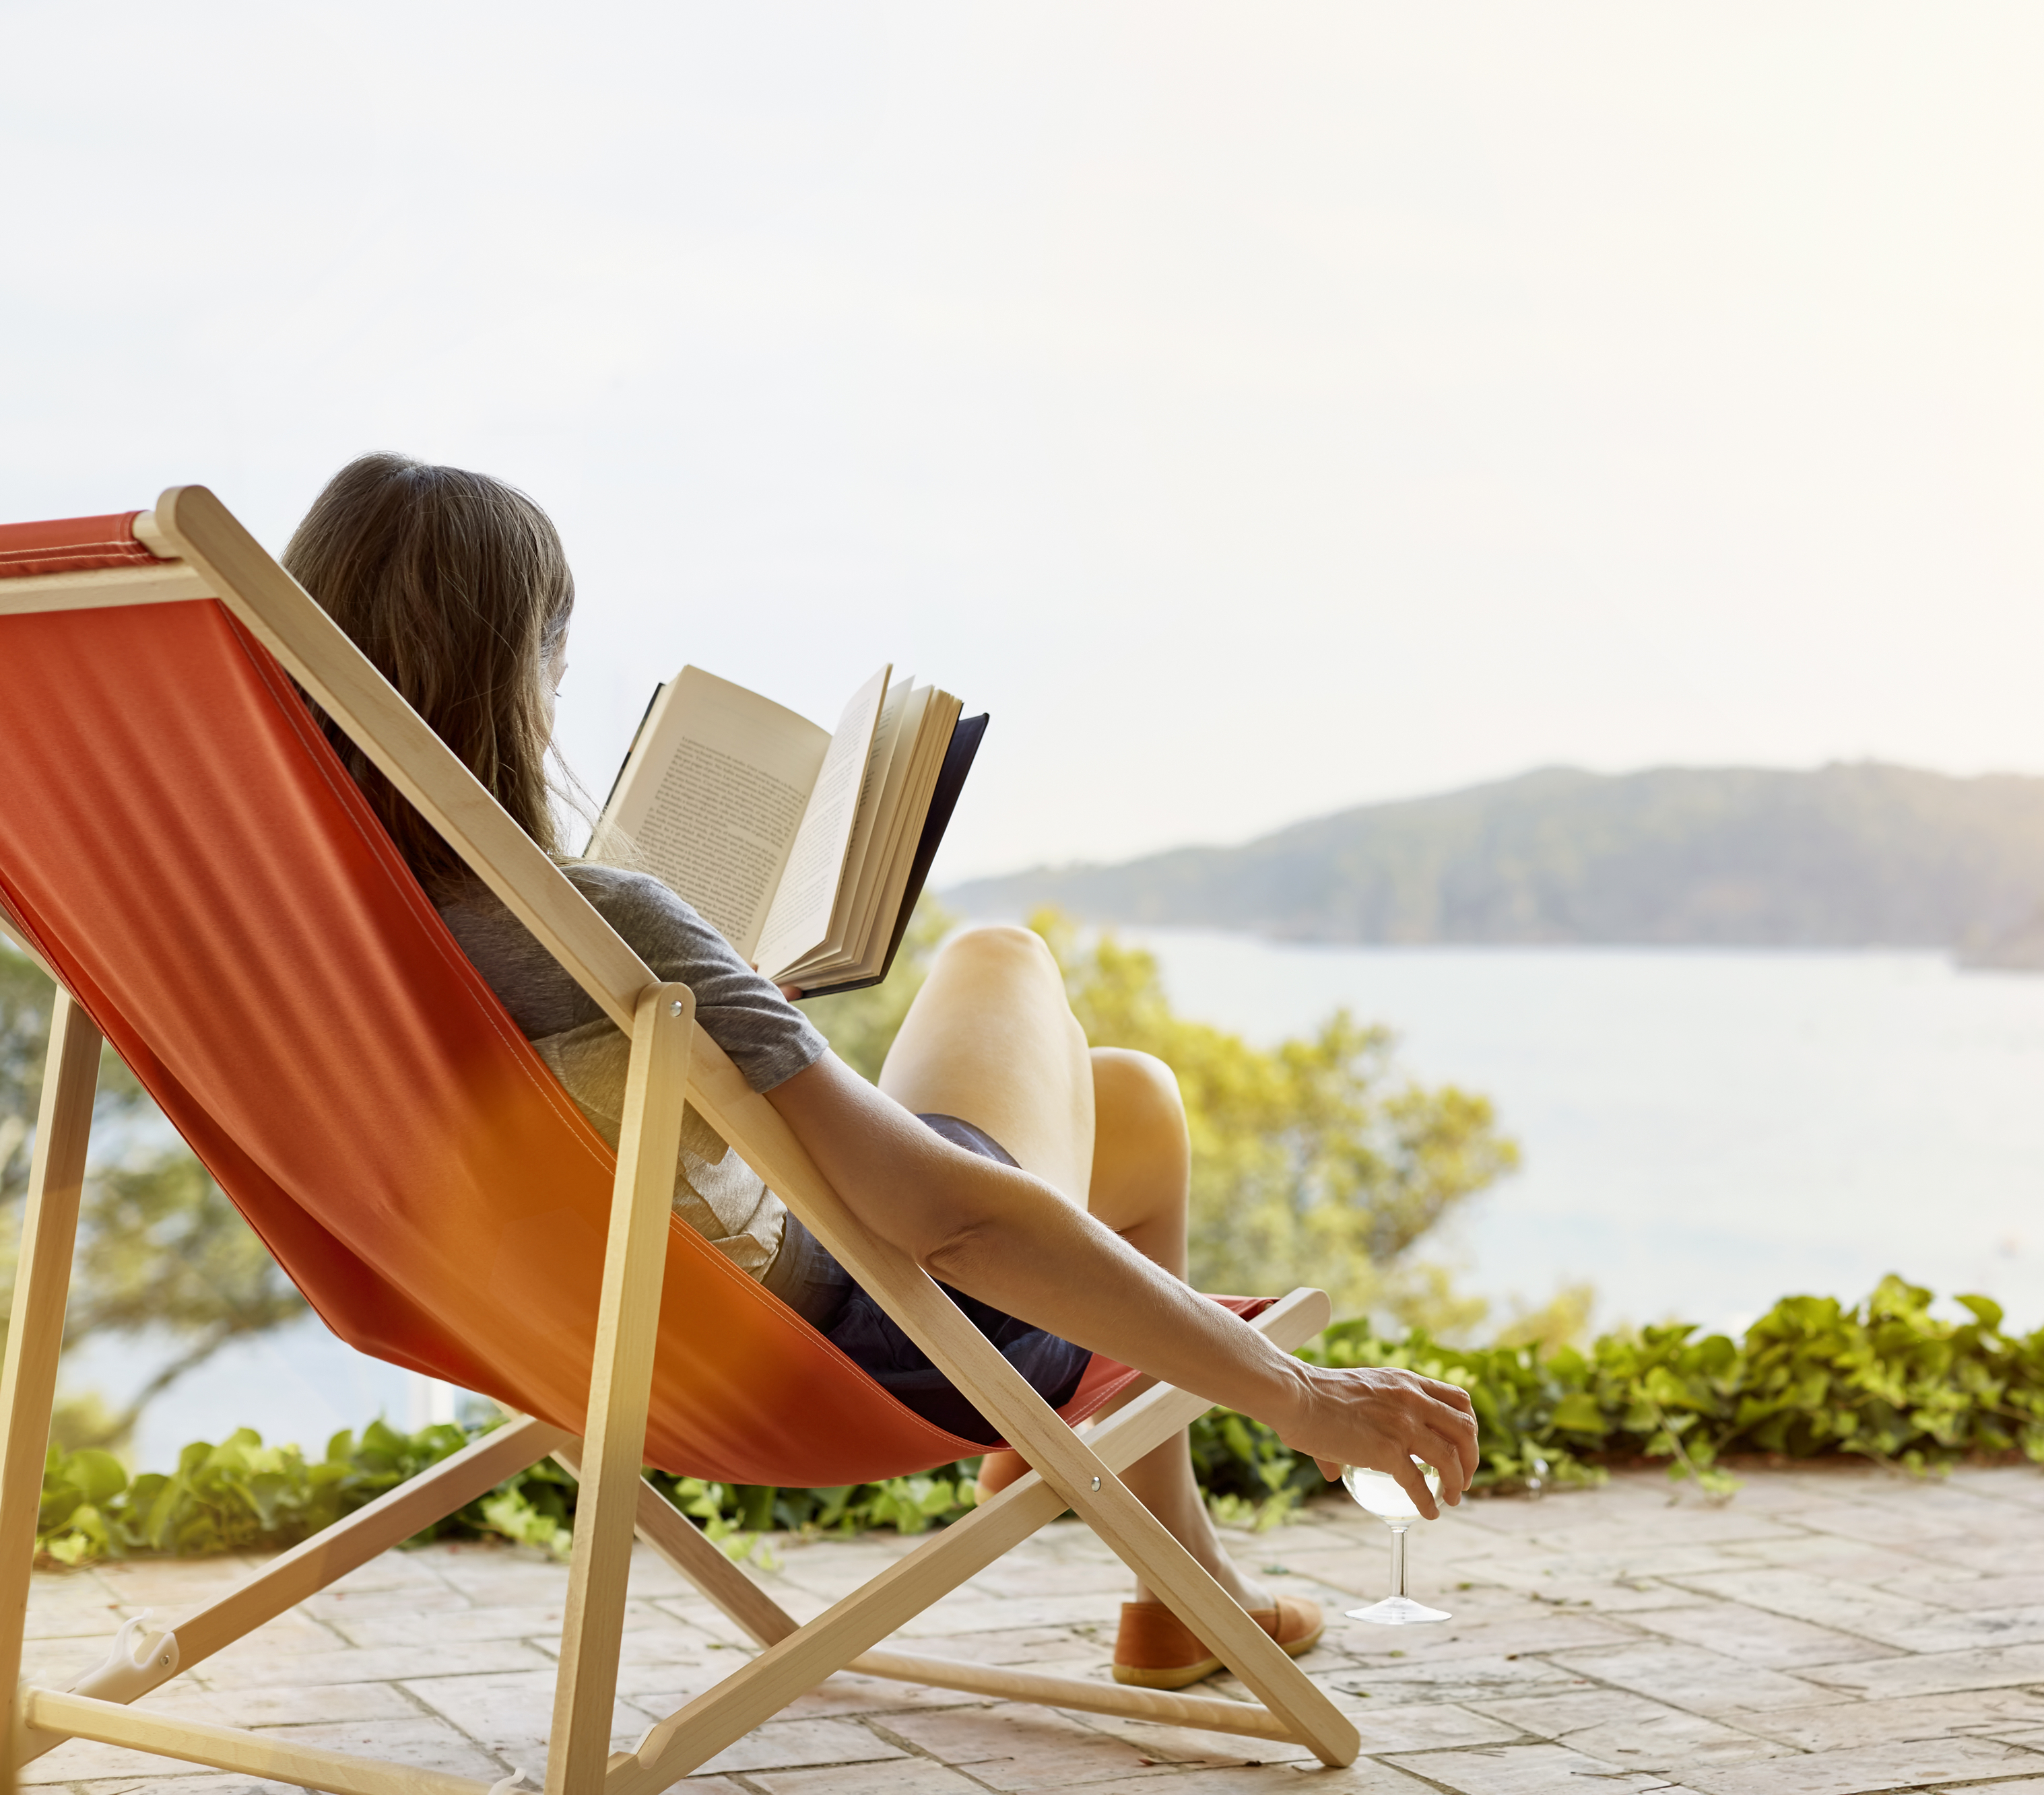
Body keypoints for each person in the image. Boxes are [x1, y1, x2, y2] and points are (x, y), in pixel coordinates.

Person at [282, 452, 1478, 1691]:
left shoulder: (280, 935)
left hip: (549, 1317)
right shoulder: (599, 925)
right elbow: (948, 1223)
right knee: (1006, 959)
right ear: (510, 682)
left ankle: (1185, 1587)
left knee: (1127, 1101)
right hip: (867, 1332)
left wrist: (734, 1050)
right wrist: (1299, 1394)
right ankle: (1113, 1481)